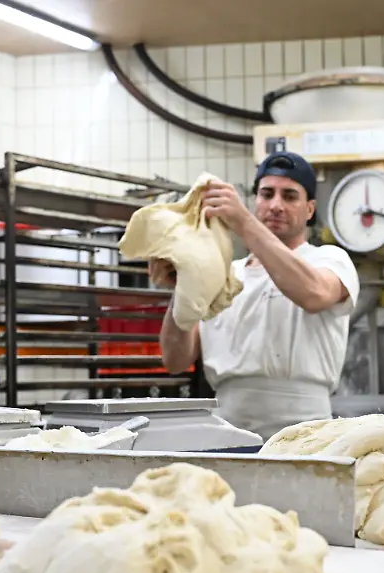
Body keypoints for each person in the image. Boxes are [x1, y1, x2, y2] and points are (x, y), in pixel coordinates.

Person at [151, 151, 360, 440]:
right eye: (267, 194)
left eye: (289, 196)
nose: (276, 205)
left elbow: (314, 294)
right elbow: (175, 360)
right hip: (227, 430)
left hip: (306, 431)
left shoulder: (328, 260)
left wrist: (243, 222)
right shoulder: (224, 274)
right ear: (255, 200)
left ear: (310, 209)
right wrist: (182, 286)